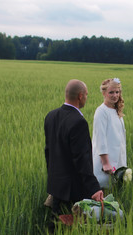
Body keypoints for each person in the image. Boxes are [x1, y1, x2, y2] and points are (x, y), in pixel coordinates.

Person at [44, 79, 104, 226]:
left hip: (55, 185)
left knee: (55, 226)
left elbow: (48, 151)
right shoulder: (78, 122)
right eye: (87, 95)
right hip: (73, 189)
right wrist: (94, 188)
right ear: (80, 96)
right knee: (74, 226)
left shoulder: (50, 116)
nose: (86, 98)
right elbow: (82, 159)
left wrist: (53, 177)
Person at [92, 78, 131, 189]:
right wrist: (105, 163)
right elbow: (101, 139)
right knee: (103, 188)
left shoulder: (115, 110)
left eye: (117, 92)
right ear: (104, 93)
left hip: (117, 158)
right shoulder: (101, 112)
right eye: (111, 92)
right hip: (105, 161)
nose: (115, 95)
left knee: (115, 189)